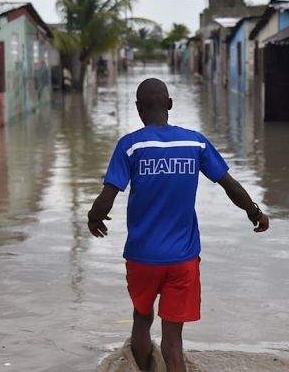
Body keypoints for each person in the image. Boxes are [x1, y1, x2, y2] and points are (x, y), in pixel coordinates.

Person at [87, 78, 269, 372]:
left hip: (142, 258)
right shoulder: (194, 142)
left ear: (137, 108)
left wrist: (94, 218)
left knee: (142, 321)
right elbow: (230, 186)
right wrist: (255, 213)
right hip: (183, 259)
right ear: (169, 105)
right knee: (173, 340)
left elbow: (107, 197)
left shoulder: (131, 146)